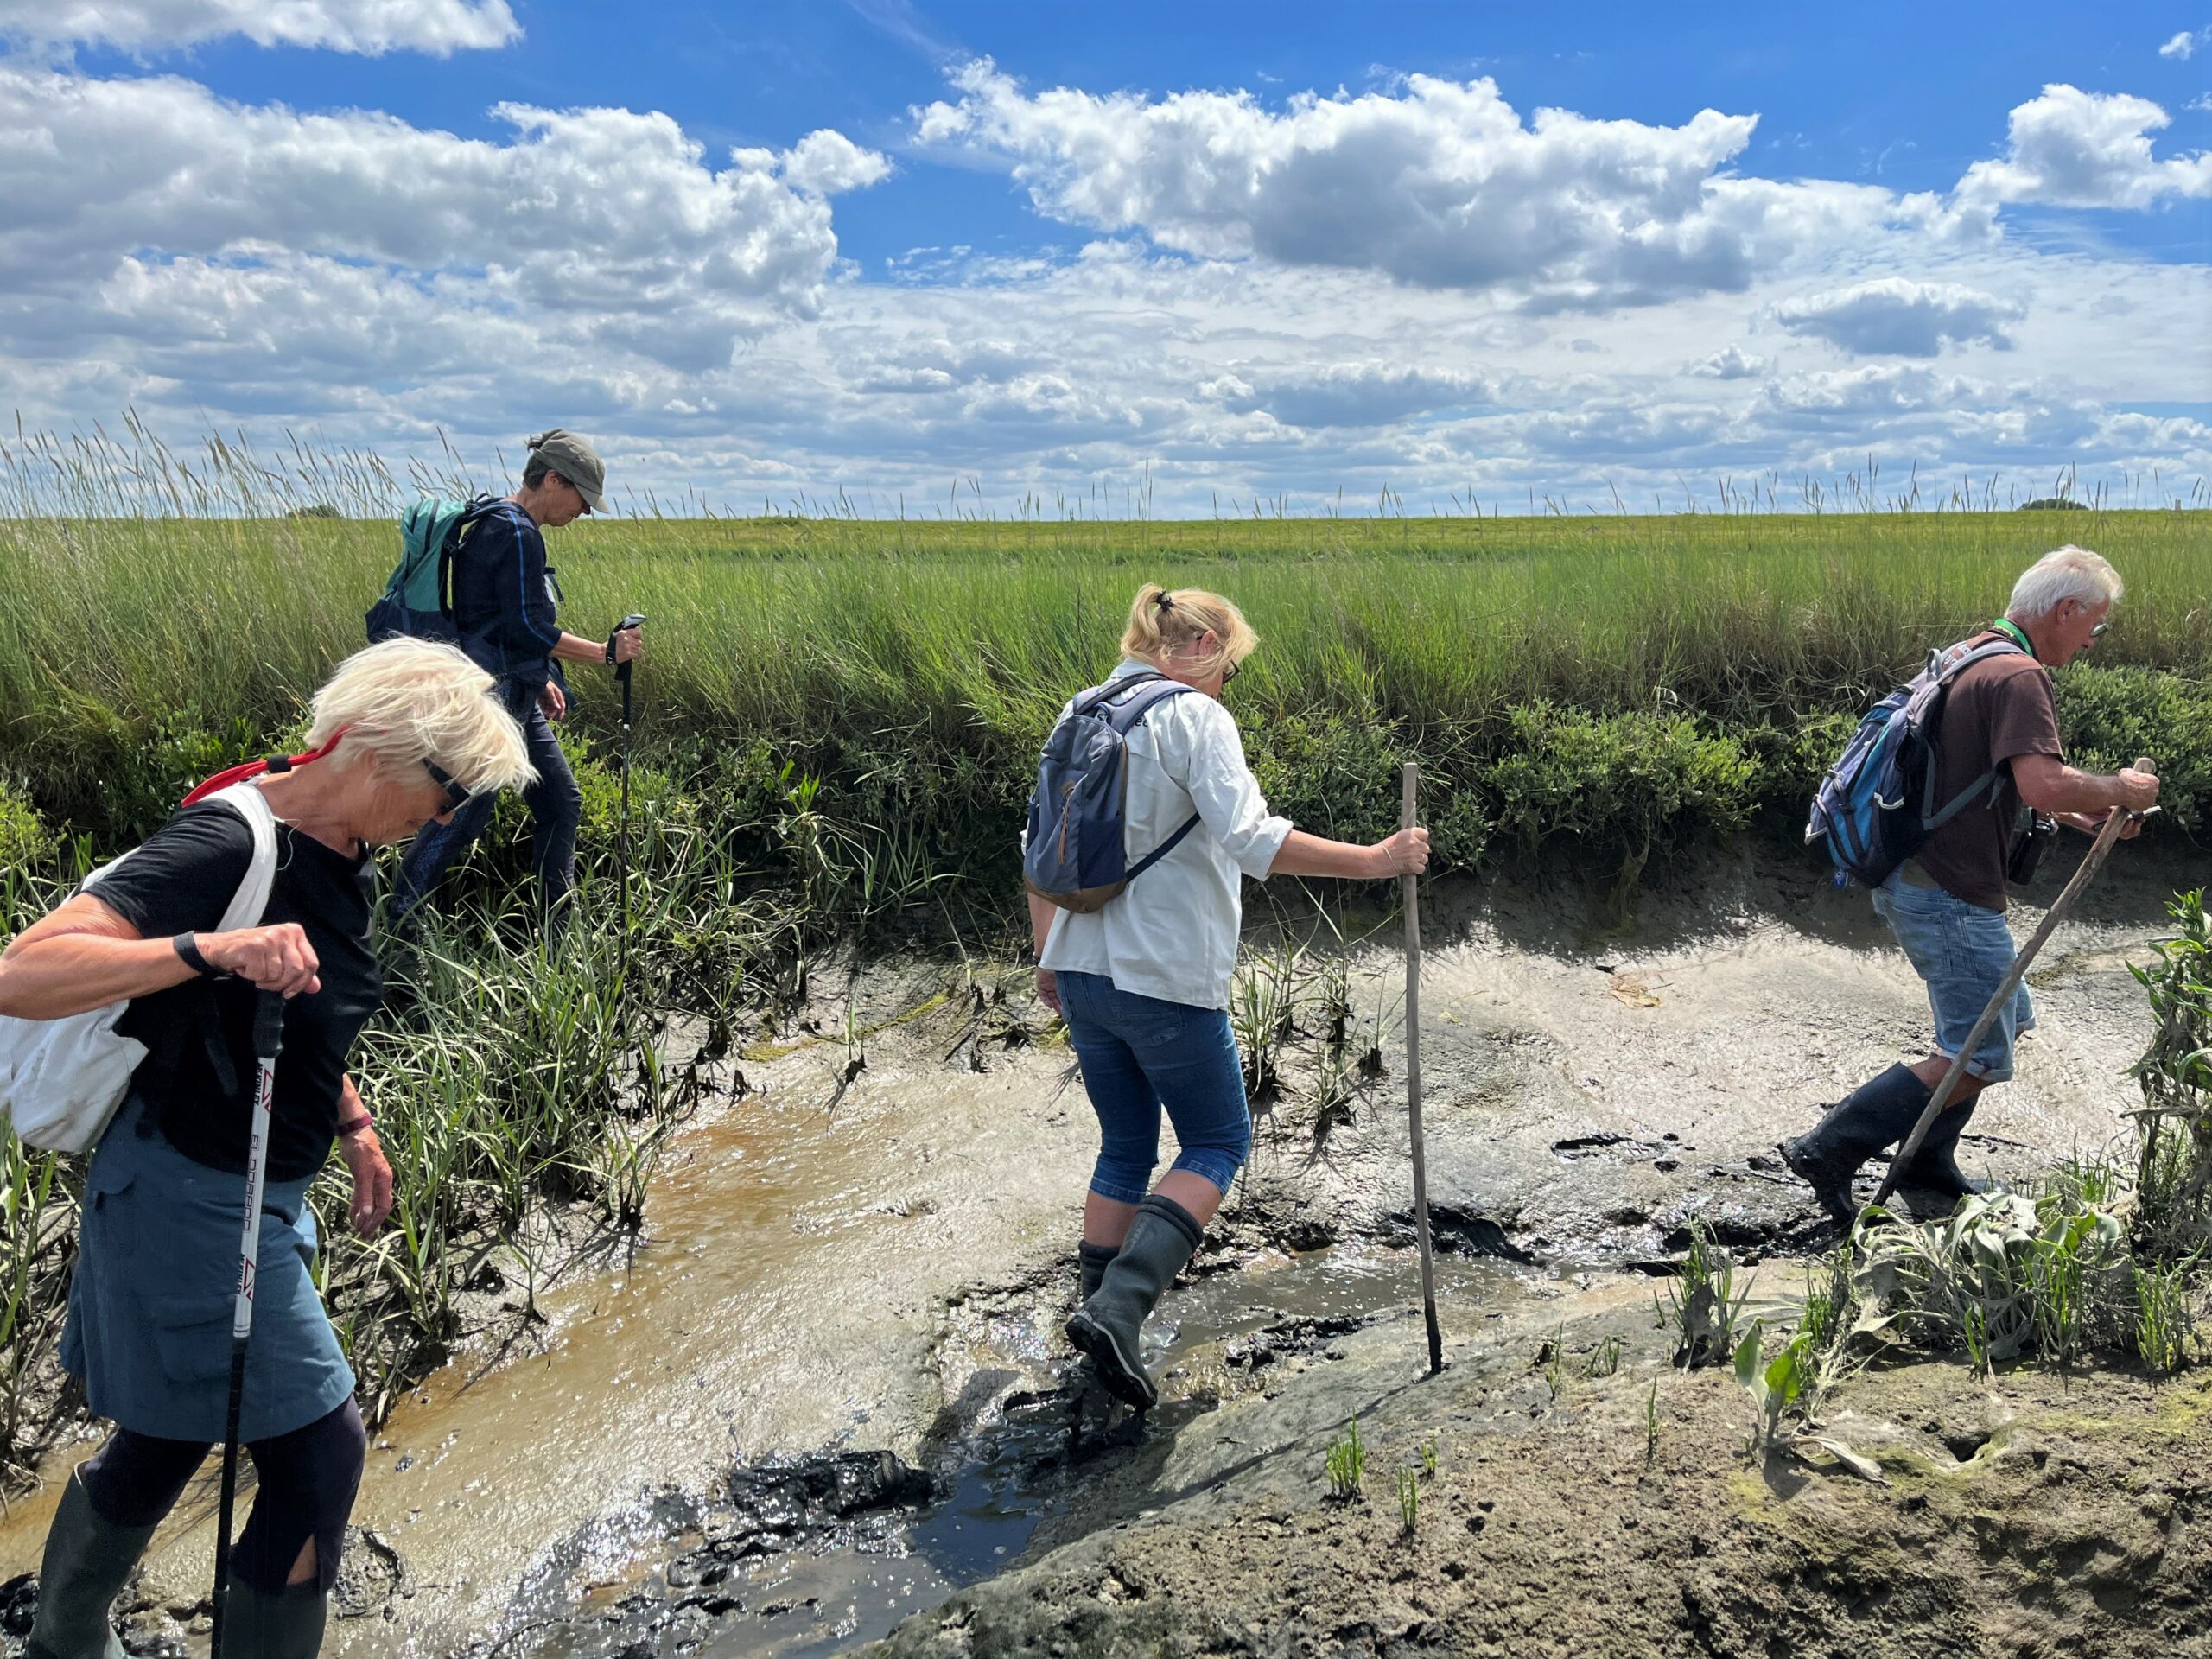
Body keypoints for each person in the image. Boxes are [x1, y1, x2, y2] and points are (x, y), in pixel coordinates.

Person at [0, 639, 533, 1658]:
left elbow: (294, 1011)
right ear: (384, 752)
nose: (450, 817)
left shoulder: (344, 852)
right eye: (451, 791)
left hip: (256, 1195)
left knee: (165, 1432)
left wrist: (353, 1123)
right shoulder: (228, 845)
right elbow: (23, 970)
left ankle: (64, 1644)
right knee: (322, 1454)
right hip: (182, 1197)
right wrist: (210, 947)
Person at [1032, 585, 1430, 1410]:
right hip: (1164, 974)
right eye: (1232, 668)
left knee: (1126, 1144)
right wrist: (1378, 858)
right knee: (1217, 1137)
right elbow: (1253, 840)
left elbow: (1037, 850)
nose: (1227, 685)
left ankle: (1094, 1332)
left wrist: (1048, 956)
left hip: (1078, 966)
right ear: (1206, 643)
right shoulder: (1193, 718)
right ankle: (1117, 1310)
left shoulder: (1080, 710)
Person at [1781, 546, 2160, 1224]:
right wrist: (2122, 788)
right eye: (2094, 626)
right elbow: (2042, 780)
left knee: (2002, 1021)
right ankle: (1827, 1148)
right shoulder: (2019, 677)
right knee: (1978, 1049)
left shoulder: (1973, 654)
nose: (2092, 641)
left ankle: (1926, 1162)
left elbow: (2007, 783)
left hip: (1920, 872)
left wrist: (2089, 810)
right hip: (1944, 887)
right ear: (2065, 610)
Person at [390, 429, 642, 929]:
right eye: (582, 499)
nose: (584, 512)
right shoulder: (518, 531)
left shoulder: (492, 521)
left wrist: (539, 674)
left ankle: (556, 928)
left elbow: (495, 621)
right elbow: (528, 625)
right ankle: (399, 920)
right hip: (495, 702)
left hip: (512, 692)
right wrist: (604, 653)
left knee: (560, 801)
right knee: (460, 816)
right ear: (552, 479)